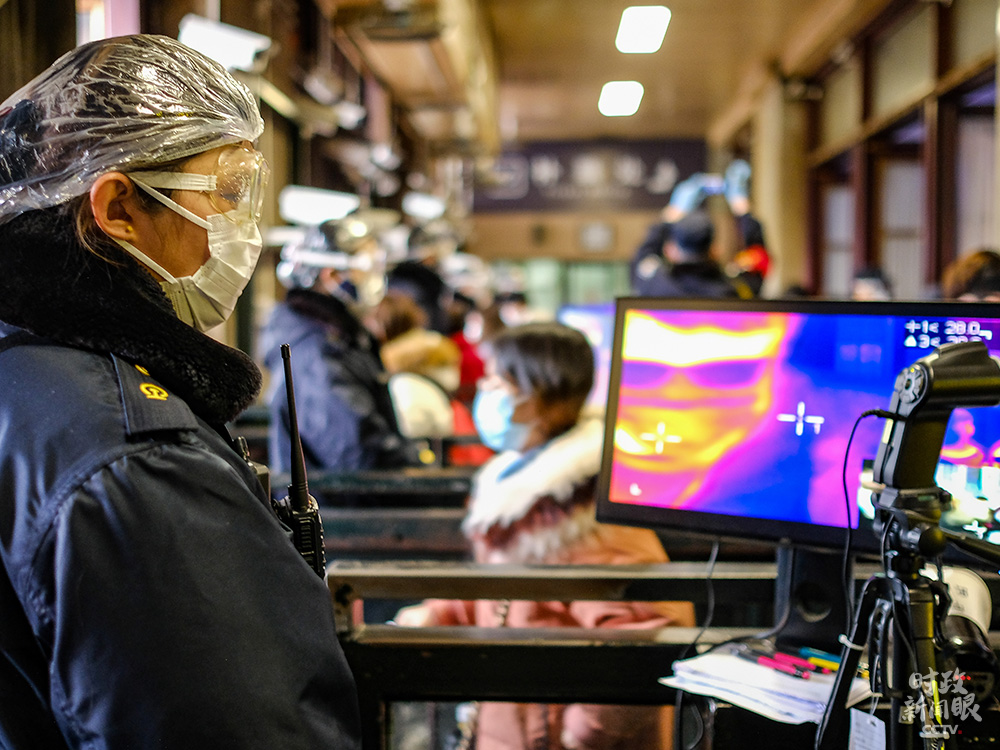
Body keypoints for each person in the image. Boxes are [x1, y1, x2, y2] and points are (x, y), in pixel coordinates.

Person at [0, 35, 360, 748]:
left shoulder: (26, 366)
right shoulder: (138, 460)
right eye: (225, 193)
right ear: (118, 207)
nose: (240, 232)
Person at [393, 322, 695, 750]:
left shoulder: (586, 514)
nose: (484, 391)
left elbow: (647, 634)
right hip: (514, 722)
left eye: (497, 381)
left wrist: (580, 736)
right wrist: (442, 614)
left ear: (536, 394)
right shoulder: (522, 490)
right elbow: (507, 588)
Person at [263, 222, 420, 474]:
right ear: (332, 276)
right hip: (335, 506)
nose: (374, 279)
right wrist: (412, 464)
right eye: (365, 268)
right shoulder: (316, 349)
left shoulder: (340, 334)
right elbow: (355, 450)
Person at [631, 174, 741, 299]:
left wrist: (671, 214)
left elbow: (643, 258)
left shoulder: (656, 287)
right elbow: (758, 266)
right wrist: (740, 204)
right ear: (715, 250)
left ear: (671, 251)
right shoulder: (729, 294)